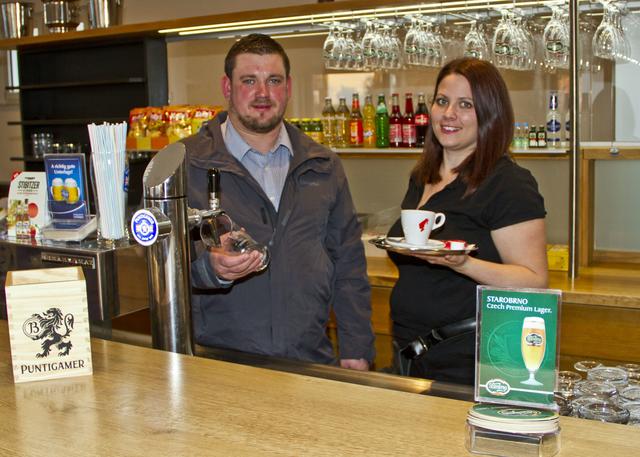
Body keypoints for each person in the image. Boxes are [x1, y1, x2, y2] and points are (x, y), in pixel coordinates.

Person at [183, 34, 375, 370]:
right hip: (218, 365)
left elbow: (348, 263)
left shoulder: (323, 165)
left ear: (288, 87)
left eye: (273, 81)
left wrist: (356, 347)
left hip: (310, 361)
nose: (262, 93)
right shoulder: (186, 165)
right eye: (249, 81)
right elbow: (154, 262)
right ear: (227, 88)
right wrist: (208, 269)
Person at [387, 57, 548, 385]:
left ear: (490, 114)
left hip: (469, 363)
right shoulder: (423, 177)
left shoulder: (508, 183)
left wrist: (463, 264)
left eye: (466, 105)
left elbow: (535, 281)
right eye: (442, 101)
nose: (449, 114)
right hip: (411, 355)